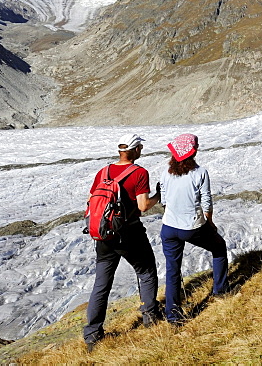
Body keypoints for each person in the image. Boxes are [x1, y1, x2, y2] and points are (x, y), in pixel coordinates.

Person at [83, 133, 162, 351]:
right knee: (145, 271)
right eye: (141, 147)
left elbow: (91, 202)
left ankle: (92, 335)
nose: (142, 150)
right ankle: (150, 317)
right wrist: (158, 196)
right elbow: (144, 206)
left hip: (103, 235)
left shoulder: (104, 172)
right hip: (128, 233)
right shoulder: (139, 173)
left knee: (101, 284)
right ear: (135, 150)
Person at [159, 133, 229, 325]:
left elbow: (164, 200)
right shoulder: (200, 172)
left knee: (173, 269)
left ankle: (173, 316)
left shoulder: (166, 172)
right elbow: (206, 201)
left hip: (169, 227)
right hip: (191, 226)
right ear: (193, 151)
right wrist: (209, 221)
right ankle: (220, 291)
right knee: (219, 248)